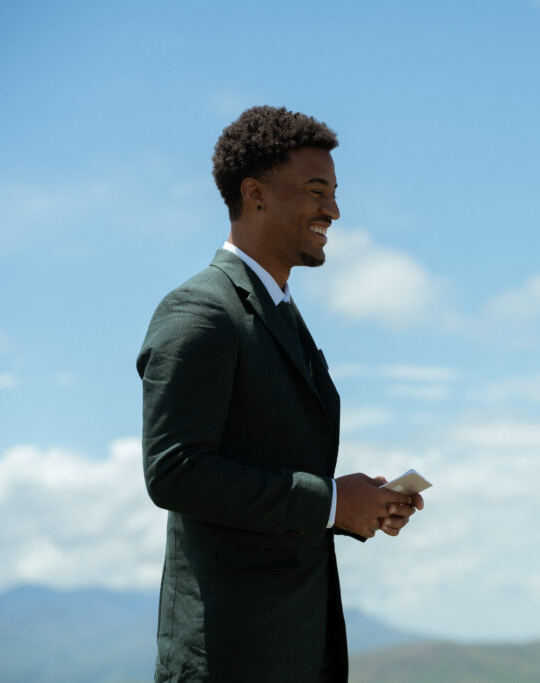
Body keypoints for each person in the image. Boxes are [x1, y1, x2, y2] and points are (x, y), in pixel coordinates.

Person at [137, 105, 424, 682]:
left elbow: (271, 471)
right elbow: (175, 471)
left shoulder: (281, 314)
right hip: (231, 652)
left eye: (335, 192)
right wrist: (331, 502)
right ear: (255, 194)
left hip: (295, 645)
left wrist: (355, 508)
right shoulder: (201, 312)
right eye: (317, 191)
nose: (334, 210)